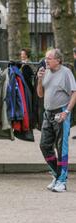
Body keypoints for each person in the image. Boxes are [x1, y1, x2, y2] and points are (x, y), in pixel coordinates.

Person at [37, 48, 76, 192]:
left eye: (49, 58)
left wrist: (67, 111)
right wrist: (40, 80)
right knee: (44, 145)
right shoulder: (45, 72)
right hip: (48, 113)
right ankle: (57, 174)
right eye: (46, 58)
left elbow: (74, 93)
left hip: (61, 113)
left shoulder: (66, 72)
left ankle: (62, 181)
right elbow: (40, 94)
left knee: (61, 147)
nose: (46, 60)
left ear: (58, 60)